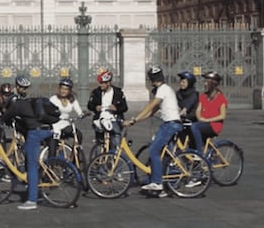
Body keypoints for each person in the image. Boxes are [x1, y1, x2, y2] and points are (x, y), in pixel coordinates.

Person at [125, 66, 183, 196]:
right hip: (169, 124)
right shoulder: (165, 89)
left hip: (170, 124)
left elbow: (151, 106)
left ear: (152, 80)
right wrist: (135, 121)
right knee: (162, 153)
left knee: (154, 151)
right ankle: (164, 185)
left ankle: (157, 182)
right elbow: (151, 112)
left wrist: (133, 119)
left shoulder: (162, 90)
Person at [0, 91, 54, 211]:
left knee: (32, 166)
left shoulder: (16, 105)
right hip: (48, 130)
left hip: (35, 133)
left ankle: (32, 200)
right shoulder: (29, 103)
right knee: (28, 152)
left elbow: (4, 118)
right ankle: (32, 183)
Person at [87, 70, 128, 150]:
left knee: (116, 134)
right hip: (100, 118)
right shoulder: (96, 92)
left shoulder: (118, 93)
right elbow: (89, 105)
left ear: (108, 83)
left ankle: (115, 156)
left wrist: (116, 109)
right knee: (99, 138)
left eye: (102, 83)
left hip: (114, 118)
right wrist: (96, 107)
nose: (100, 85)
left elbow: (125, 107)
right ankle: (98, 158)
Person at [190, 71, 228, 153]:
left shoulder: (221, 98)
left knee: (195, 127)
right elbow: (198, 110)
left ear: (213, 84)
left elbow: (222, 116)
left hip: (214, 126)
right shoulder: (203, 96)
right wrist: (199, 117)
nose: (205, 84)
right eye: (205, 82)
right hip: (203, 123)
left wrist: (206, 120)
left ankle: (199, 152)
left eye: (207, 82)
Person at [48, 78, 87, 157]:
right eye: (62, 88)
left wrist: (83, 114)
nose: (63, 91)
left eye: (66, 89)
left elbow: (79, 112)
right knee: (53, 143)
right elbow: (47, 111)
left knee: (78, 135)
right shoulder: (53, 99)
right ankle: (50, 162)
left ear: (69, 91)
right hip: (55, 125)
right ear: (59, 89)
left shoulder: (72, 100)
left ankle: (74, 157)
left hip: (65, 125)